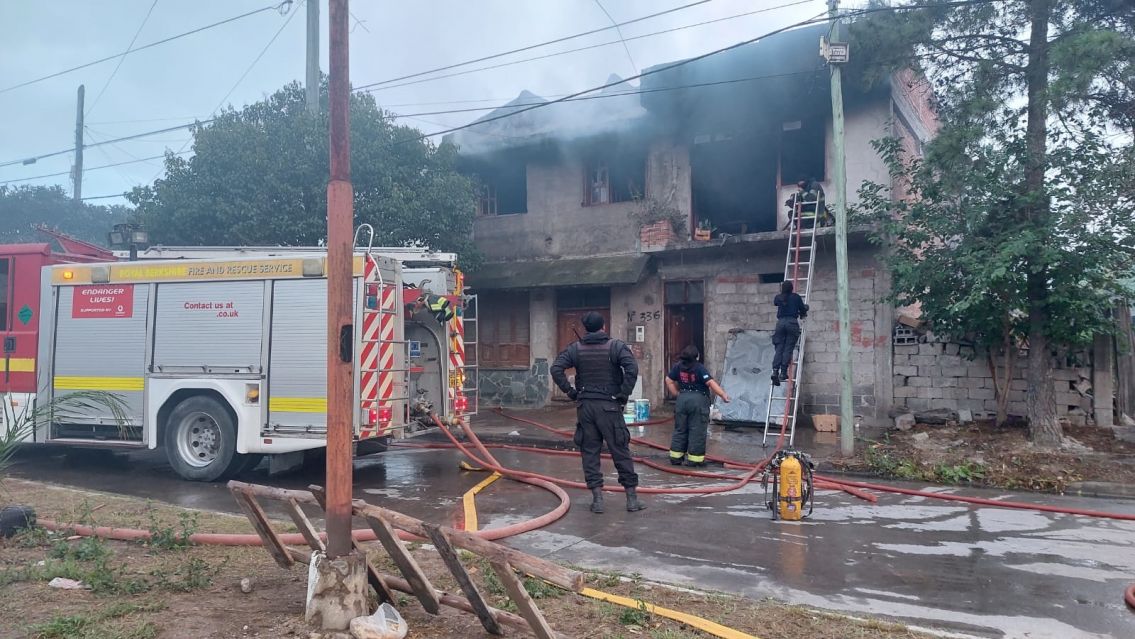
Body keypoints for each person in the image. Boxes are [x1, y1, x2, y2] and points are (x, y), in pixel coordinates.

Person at [550, 312, 645, 514]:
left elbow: (556, 369)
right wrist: (623, 394)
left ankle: (598, 500)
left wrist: (571, 392)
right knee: (620, 451)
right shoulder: (616, 346)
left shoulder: (576, 348)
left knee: (590, 453)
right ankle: (631, 500)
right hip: (609, 406)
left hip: (586, 408)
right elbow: (632, 369)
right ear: (603, 327)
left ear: (585, 328)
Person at [665, 345, 730, 467]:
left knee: (680, 429)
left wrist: (676, 394)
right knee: (697, 430)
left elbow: (668, 380)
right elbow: (710, 382)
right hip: (698, 401)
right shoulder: (699, 368)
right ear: (696, 357)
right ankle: (695, 460)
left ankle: (675, 458)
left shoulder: (678, 366)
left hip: (682, 399)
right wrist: (723, 395)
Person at [771, 280, 808, 386]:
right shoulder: (796, 297)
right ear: (791, 288)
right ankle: (783, 373)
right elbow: (802, 309)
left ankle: (775, 371)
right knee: (788, 348)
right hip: (791, 323)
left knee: (779, 348)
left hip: (780, 324)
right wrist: (805, 308)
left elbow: (776, 302)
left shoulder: (778, 297)